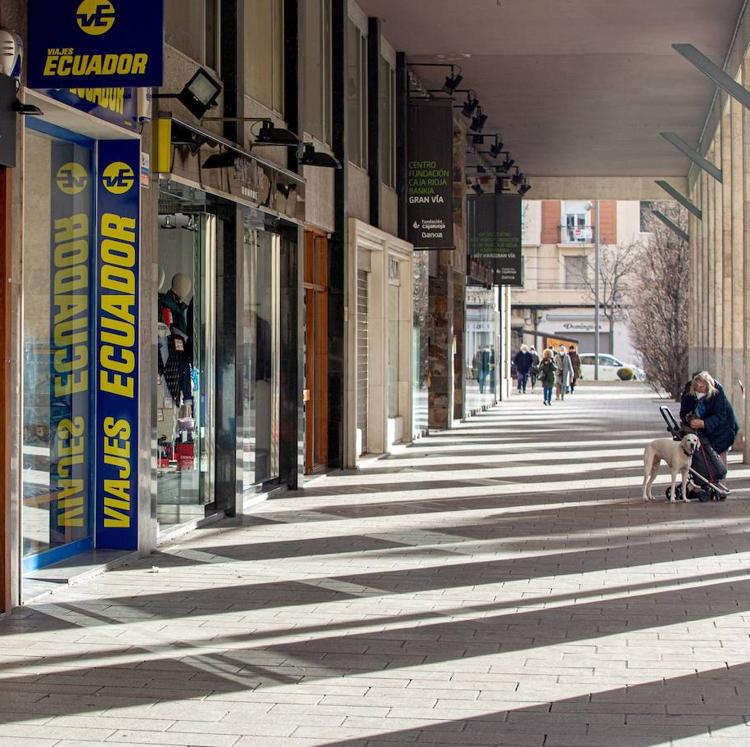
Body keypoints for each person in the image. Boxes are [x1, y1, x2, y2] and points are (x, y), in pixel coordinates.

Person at [680, 371, 739, 467]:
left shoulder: (717, 391)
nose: (699, 392)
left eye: (702, 389)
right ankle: (707, 477)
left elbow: (720, 415)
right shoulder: (688, 392)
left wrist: (704, 423)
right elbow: (684, 412)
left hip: (723, 427)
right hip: (702, 428)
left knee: (720, 456)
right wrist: (689, 419)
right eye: (697, 389)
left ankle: (719, 478)